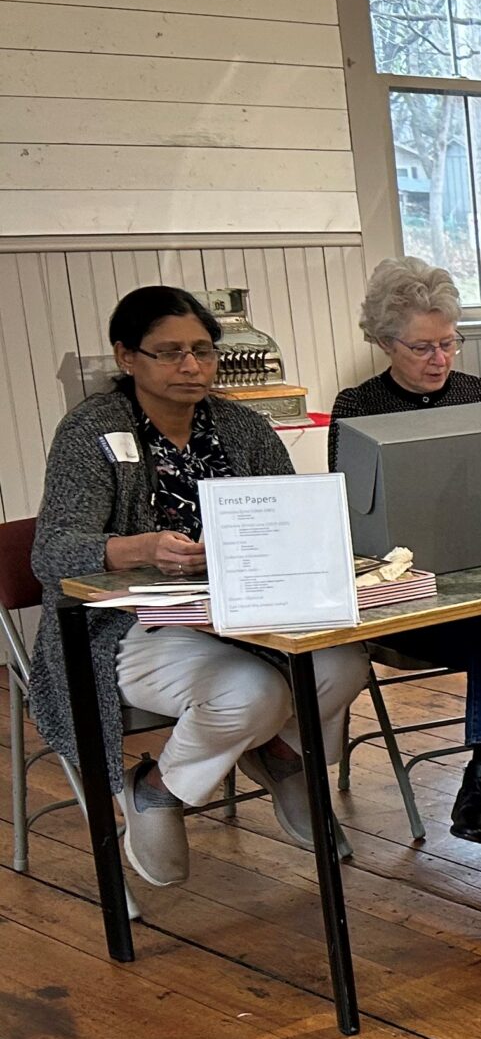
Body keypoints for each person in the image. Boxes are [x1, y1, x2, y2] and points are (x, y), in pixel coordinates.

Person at [30, 285, 371, 888]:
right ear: (127, 357)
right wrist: (141, 547)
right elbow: (52, 552)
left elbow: (287, 517)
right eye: (169, 353)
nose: (191, 366)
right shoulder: (91, 431)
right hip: (130, 622)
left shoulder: (242, 426)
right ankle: (157, 789)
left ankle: (284, 757)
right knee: (251, 691)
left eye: (203, 351)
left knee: (344, 662)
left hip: (243, 606)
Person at [329, 257, 481, 850]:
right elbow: (349, 516)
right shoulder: (357, 409)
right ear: (384, 342)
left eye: (449, 344)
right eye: (422, 348)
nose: (440, 360)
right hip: (409, 601)